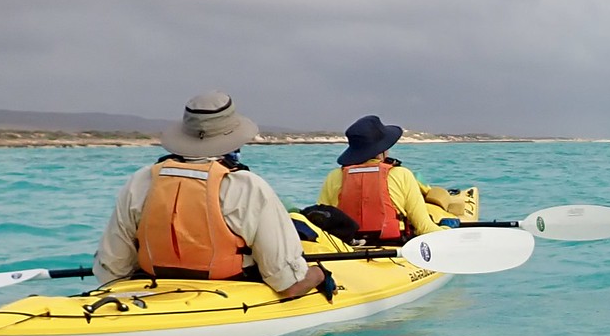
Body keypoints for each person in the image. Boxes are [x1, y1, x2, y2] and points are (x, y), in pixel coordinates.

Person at [94, 92, 331, 299]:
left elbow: (112, 271)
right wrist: (320, 274)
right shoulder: (247, 187)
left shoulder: (142, 180)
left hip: (152, 290)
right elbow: (288, 283)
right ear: (234, 140)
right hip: (228, 293)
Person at [317, 115, 464, 243]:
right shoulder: (402, 175)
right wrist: (447, 229)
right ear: (382, 150)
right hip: (394, 245)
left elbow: (320, 224)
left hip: (346, 247)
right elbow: (424, 228)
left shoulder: (334, 176)